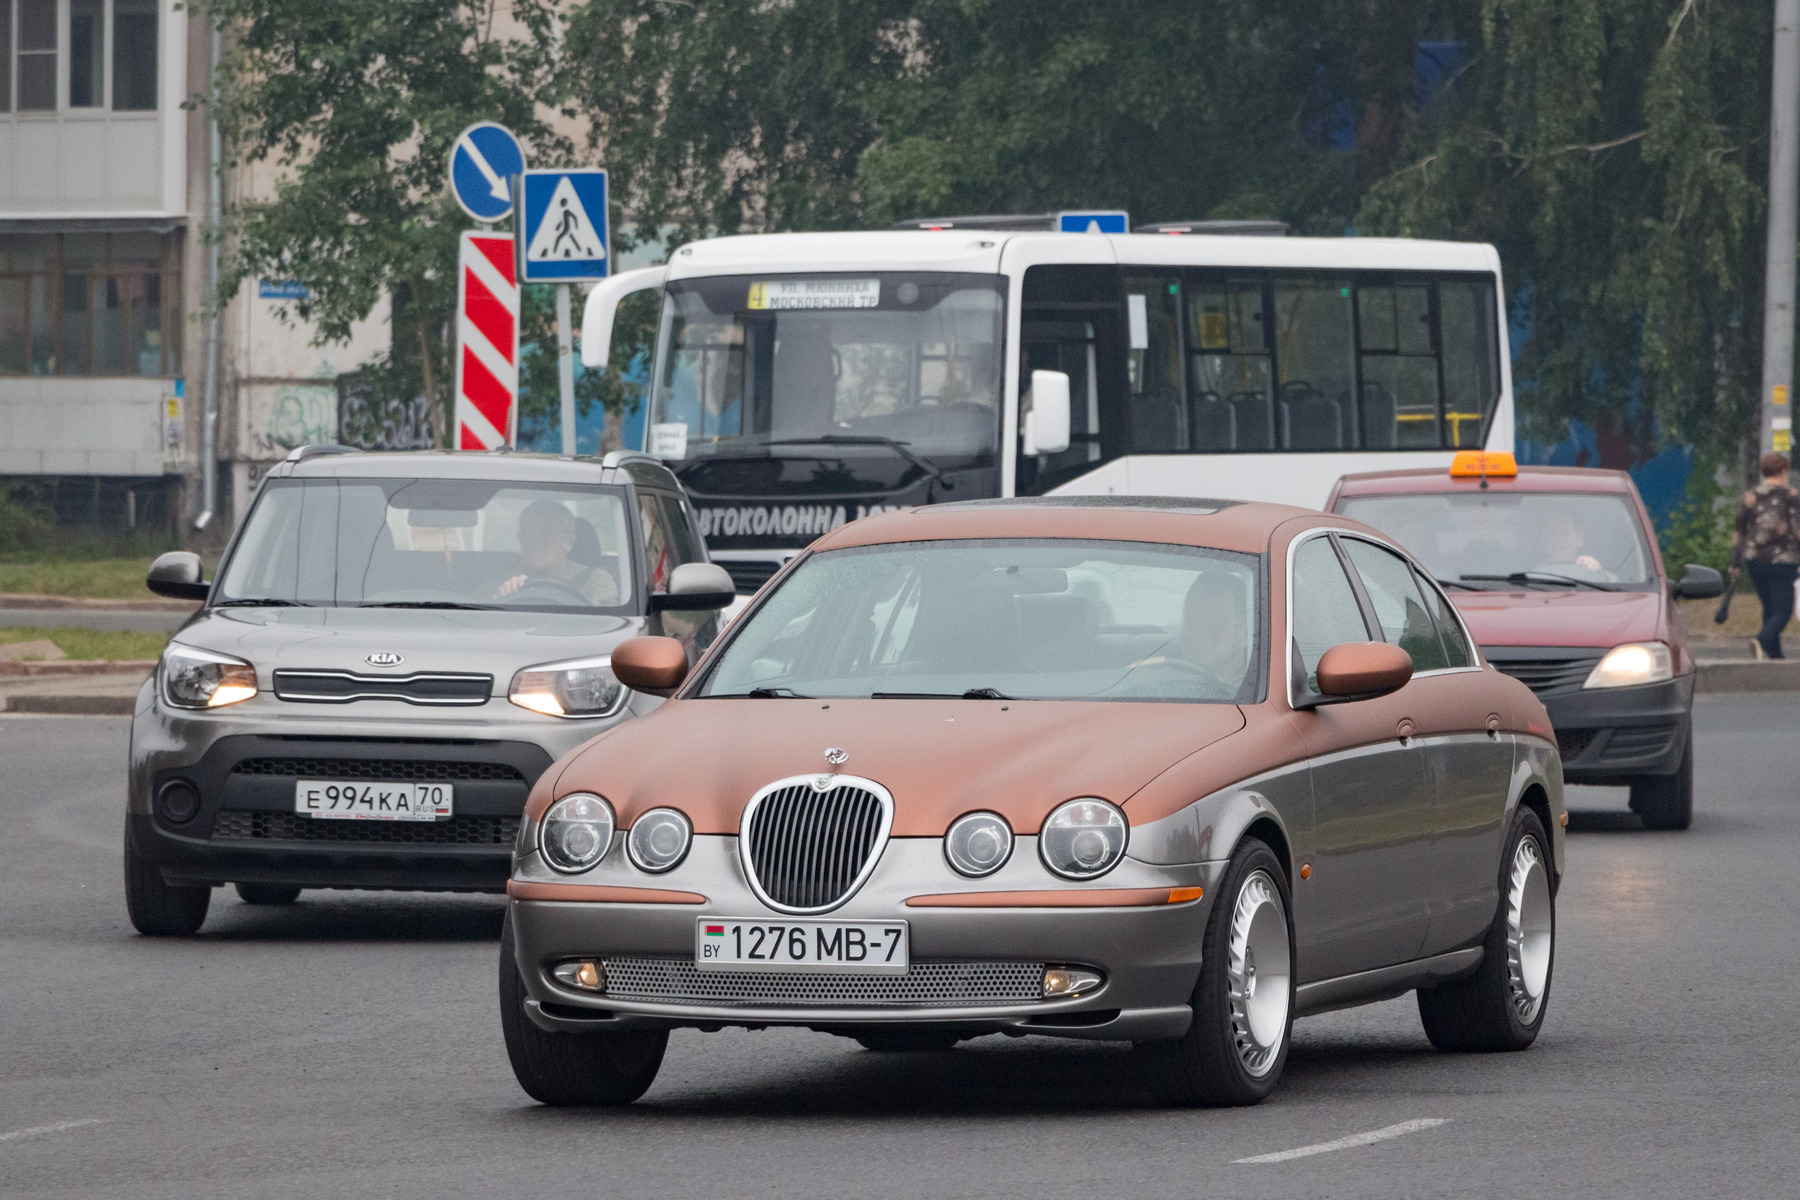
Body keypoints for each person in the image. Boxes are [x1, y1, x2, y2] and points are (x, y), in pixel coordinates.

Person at [1731, 452, 1800, 659]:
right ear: (1783, 471)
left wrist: (1735, 562)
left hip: (1755, 559)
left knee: (1769, 606)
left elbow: (1740, 530)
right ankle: (1761, 639)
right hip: (1783, 560)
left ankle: (1774, 654)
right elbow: (1798, 529)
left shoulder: (1751, 496)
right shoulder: (1791, 496)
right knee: (1784, 609)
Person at [497, 500, 618, 606]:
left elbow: (605, 623)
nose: (531, 543)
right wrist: (501, 597)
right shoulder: (504, 582)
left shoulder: (595, 580)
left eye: (543, 536)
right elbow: (484, 619)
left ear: (568, 540)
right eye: (525, 536)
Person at [1533, 511, 1610, 580]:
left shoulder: (1595, 571)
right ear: (1543, 539)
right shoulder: (1529, 577)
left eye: (1566, 533)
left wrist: (1599, 572)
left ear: (1580, 539)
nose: (1558, 539)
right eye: (1552, 532)